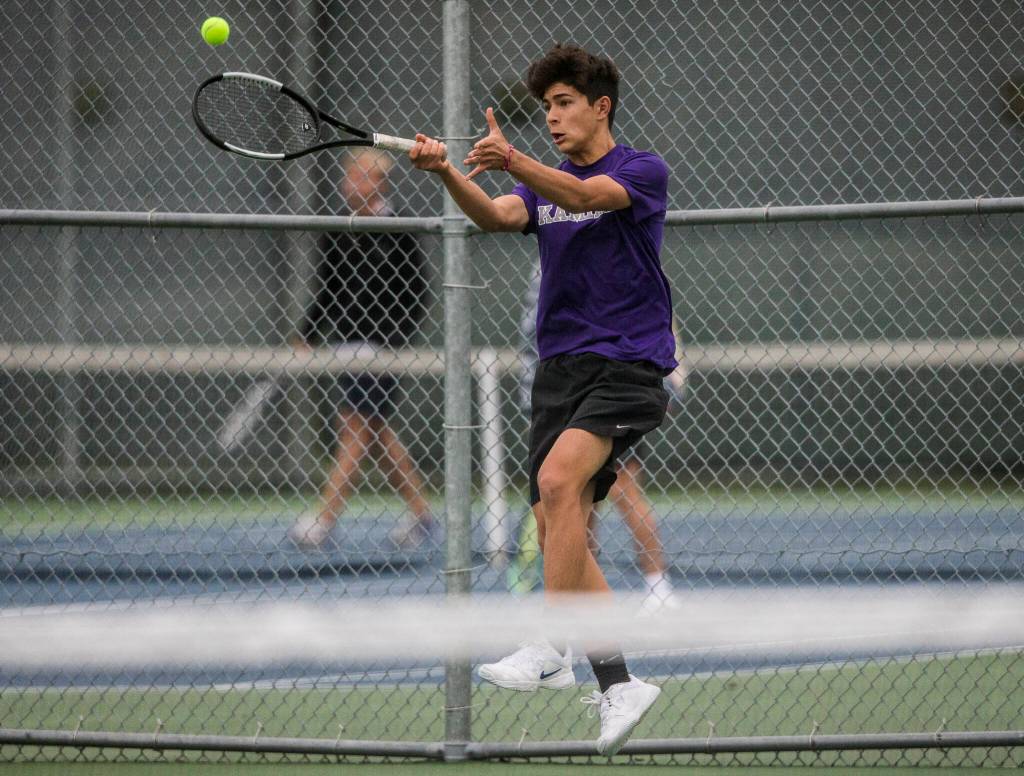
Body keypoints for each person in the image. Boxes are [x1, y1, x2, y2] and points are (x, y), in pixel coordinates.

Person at [409, 44, 674, 754]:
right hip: (558, 371)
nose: (551, 118)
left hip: (625, 365)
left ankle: (550, 641)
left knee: (560, 483)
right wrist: (446, 175)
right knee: (560, 519)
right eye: (545, 108)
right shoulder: (540, 184)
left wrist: (516, 158)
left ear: (600, 107)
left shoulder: (639, 171)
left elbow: (585, 197)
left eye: (562, 104)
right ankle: (618, 682)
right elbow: (496, 216)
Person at [515, 264, 686, 614]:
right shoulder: (549, 263)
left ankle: (659, 588)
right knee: (575, 503)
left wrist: (667, 382)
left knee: (623, 491)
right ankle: (580, 594)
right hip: (563, 394)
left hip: (612, 393)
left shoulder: (626, 251)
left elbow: (657, 322)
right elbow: (532, 338)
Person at [289, 149, 434, 551]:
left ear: (379, 183)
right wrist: (308, 334)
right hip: (345, 346)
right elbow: (328, 288)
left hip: (383, 351)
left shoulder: (399, 228)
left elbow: (416, 292)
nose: (350, 184)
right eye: (349, 176)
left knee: (355, 429)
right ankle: (422, 514)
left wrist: (391, 344)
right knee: (374, 433)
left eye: (360, 177)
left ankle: (325, 517)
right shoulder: (339, 227)